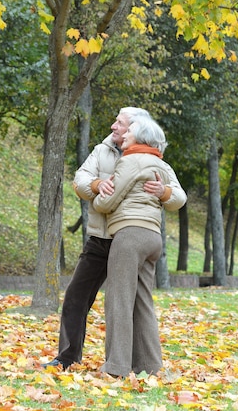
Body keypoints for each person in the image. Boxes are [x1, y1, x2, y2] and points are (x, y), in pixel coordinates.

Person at [43, 107, 186, 370]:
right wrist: (98, 184)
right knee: (76, 296)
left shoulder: (152, 159)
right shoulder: (102, 151)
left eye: (120, 124)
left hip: (128, 237)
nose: (113, 127)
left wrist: (164, 192)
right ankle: (67, 357)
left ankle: (125, 365)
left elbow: (179, 197)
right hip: (101, 238)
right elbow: (80, 180)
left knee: (126, 302)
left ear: (136, 128)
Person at [93, 116, 187, 377]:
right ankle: (150, 365)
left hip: (129, 236)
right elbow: (180, 198)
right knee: (143, 302)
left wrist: (99, 198)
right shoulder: (161, 163)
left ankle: (116, 367)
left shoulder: (131, 160)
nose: (125, 134)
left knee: (119, 300)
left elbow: (107, 202)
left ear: (141, 137)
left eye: (130, 130)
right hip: (153, 238)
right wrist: (164, 193)